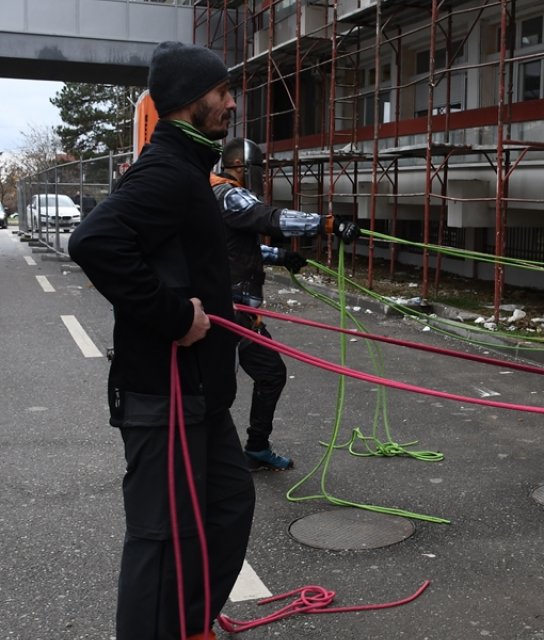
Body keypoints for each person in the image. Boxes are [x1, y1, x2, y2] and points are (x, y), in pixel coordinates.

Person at [68, 41, 253, 640]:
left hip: (203, 394)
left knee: (227, 508)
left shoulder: (189, 168)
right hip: (164, 395)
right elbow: (94, 242)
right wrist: (176, 317)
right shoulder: (168, 171)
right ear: (192, 101)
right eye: (223, 92)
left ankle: (188, 624)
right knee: (160, 537)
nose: (231, 102)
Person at [210, 137, 360, 470]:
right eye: (258, 170)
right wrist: (325, 224)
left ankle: (256, 448)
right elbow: (270, 218)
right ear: (241, 168)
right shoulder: (231, 195)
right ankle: (209, 461)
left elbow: (235, 248)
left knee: (271, 373)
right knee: (218, 390)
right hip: (231, 312)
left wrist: (280, 256)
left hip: (243, 314)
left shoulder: (218, 197)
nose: (261, 177)